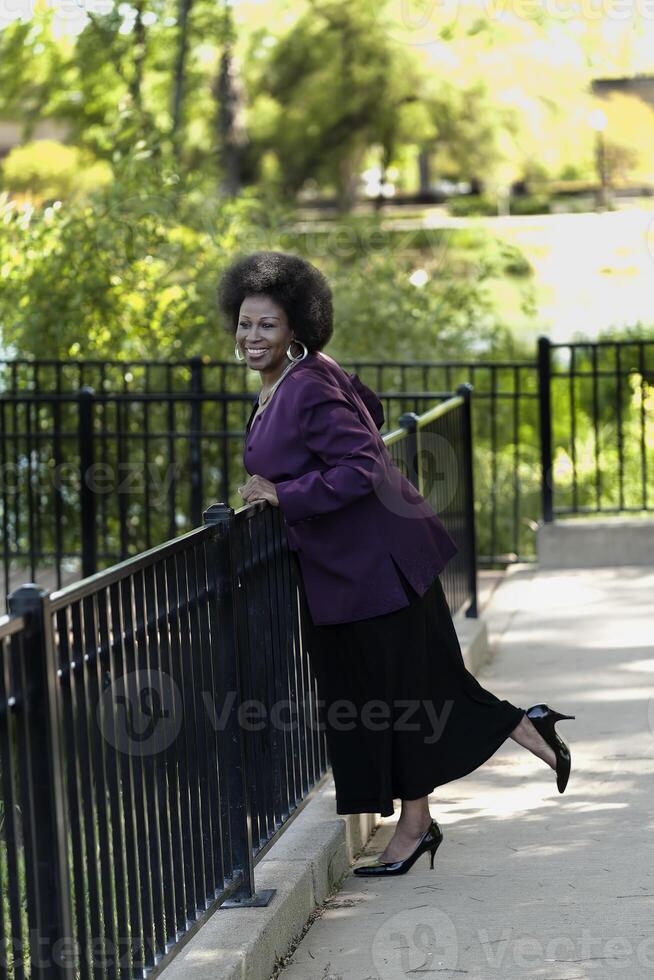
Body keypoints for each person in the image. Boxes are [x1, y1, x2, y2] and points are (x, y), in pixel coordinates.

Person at [218, 250, 576, 878]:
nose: (252, 336)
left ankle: (418, 824)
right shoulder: (306, 376)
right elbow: (373, 411)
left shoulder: (303, 384)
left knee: (399, 699)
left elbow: (361, 465)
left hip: (374, 569)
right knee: (406, 693)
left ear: (294, 327)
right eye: (245, 324)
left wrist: (285, 491)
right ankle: (523, 731)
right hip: (366, 567)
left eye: (266, 325)